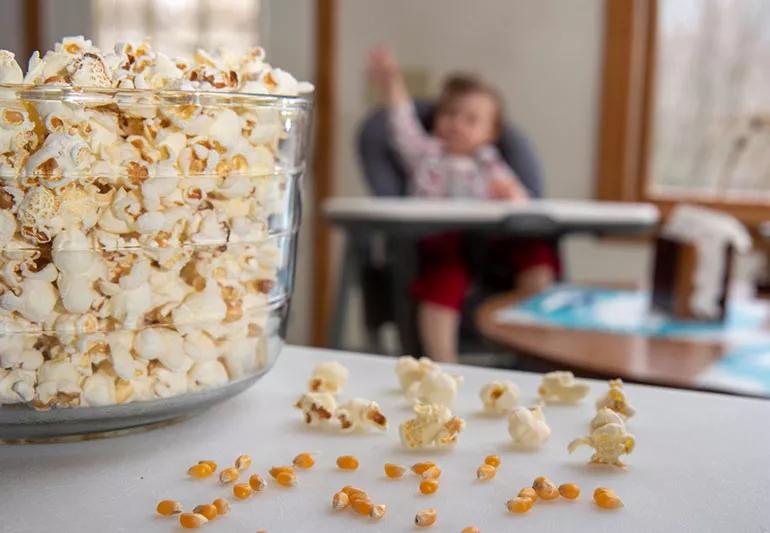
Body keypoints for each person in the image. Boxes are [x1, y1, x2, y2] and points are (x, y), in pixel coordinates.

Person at [368, 47, 557, 363]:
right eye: (450, 114)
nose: (457, 123)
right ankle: (443, 365)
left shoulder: (490, 162)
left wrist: (511, 197)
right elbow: (402, 120)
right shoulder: (427, 153)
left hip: (490, 242)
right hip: (443, 240)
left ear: (491, 134)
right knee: (443, 279)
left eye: (471, 119)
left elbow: (523, 203)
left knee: (536, 253)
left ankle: (533, 347)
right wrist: (392, 81)